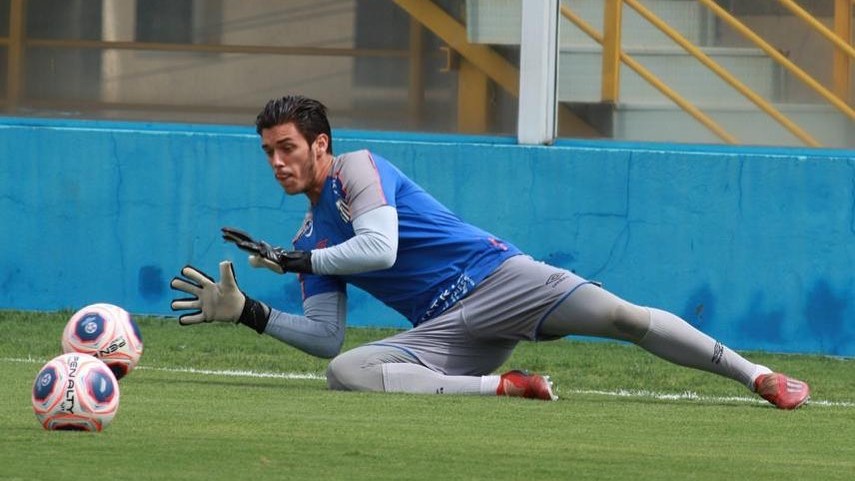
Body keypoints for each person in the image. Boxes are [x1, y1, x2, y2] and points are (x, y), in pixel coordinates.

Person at [170, 95, 810, 409]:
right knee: (346, 374)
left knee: (625, 319)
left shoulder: (358, 168)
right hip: (447, 332)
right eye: (268, 152)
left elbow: (379, 246)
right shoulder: (308, 240)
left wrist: (297, 263)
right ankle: (504, 386)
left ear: (320, 143)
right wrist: (251, 312)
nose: (277, 162)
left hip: (500, 278)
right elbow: (325, 339)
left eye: (287, 147)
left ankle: (758, 378)